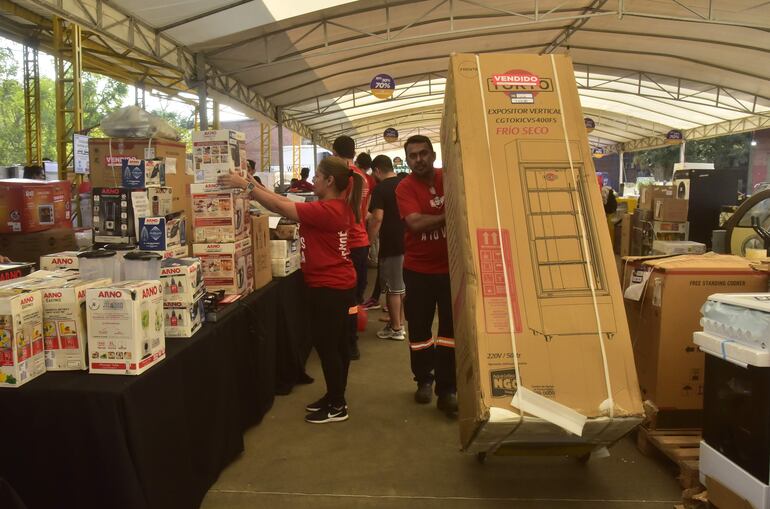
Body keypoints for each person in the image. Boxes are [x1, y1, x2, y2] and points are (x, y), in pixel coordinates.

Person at [218, 156, 363, 424]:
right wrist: (252, 184)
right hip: (337, 285)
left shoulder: (327, 210)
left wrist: (247, 188)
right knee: (335, 345)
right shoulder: (332, 207)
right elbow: (284, 202)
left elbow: (280, 207)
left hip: (330, 288)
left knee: (330, 347)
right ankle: (334, 396)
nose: (314, 180)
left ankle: (337, 404)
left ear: (330, 181)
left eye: (318, 176)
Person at [396, 134, 457, 416]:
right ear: (407, 160)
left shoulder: (450, 177)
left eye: (423, 153)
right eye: (412, 156)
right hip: (418, 271)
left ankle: (448, 389)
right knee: (419, 330)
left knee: (450, 332)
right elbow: (416, 223)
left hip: (451, 269)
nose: (418, 159)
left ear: (433, 154)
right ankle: (424, 380)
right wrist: (451, 212)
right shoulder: (404, 188)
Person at [332, 136, 370, 360]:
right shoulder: (363, 177)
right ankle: (351, 340)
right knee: (354, 298)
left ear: (335, 152)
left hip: (343, 242)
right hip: (360, 241)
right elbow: (365, 211)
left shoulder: (339, 176)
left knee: (341, 297)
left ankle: (346, 341)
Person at [368, 155, 405, 341]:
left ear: (376, 170)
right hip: (408, 242)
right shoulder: (403, 184)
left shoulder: (380, 189)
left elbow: (377, 218)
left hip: (392, 243)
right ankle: (399, 321)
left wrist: (368, 241)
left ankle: (396, 328)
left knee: (392, 289)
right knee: (401, 287)